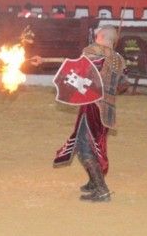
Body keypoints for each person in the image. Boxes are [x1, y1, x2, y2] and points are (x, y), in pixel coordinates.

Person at [52, 25, 127, 202]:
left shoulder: (92, 50)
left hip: (92, 107)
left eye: (96, 35)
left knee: (85, 148)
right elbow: (124, 84)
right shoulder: (119, 59)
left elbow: (80, 71)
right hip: (108, 108)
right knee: (97, 145)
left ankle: (102, 190)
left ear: (100, 36)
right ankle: (94, 182)